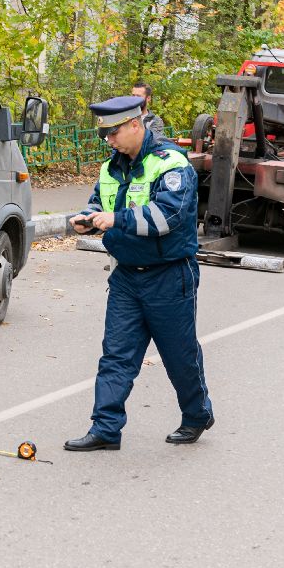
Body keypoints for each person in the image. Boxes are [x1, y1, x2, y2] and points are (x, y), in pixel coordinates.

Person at [64, 97, 216, 451]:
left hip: (169, 277)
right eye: (105, 135)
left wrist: (118, 220)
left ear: (136, 124)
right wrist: (87, 219)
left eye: (113, 133)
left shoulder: (171, 164)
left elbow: (168, 217)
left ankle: (196, 415)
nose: (109, 141)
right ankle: (106, 428)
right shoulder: (110, 168)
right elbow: (100, 203)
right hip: (126, 277)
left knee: (179, 356)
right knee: (117, 354)